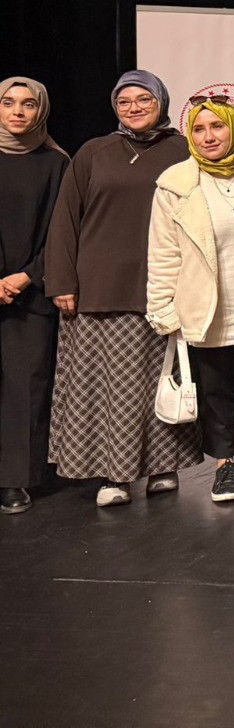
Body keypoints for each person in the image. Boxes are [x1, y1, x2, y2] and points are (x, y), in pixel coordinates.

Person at [46, 71, 201, 507]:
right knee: (105, 388)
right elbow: (65, 219)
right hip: (99, 288)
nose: (134, 108)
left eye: (143, 99)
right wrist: (62, 280)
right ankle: (113, 476)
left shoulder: (184, 150)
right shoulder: (94, 152)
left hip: (163, 285)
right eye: (124, 101)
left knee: (159, 382)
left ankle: (163, 466)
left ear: (161, 101)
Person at [147, 97, 234, 502]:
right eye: (199, 129)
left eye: (217, 127)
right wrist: (162, 308)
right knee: (216, 392)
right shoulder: (175, 183)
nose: (209, 137)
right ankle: (225, 465)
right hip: (207, 308)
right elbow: (163, 252)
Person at [0, 78, 71, 513]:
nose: (17, 112)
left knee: (25, 387)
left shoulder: (56, 163)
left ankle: (14, 480)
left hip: (30, 292)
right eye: (8, 103)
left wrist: (25, 277)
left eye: (28, 104)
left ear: (41, 110)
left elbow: (62, 231)